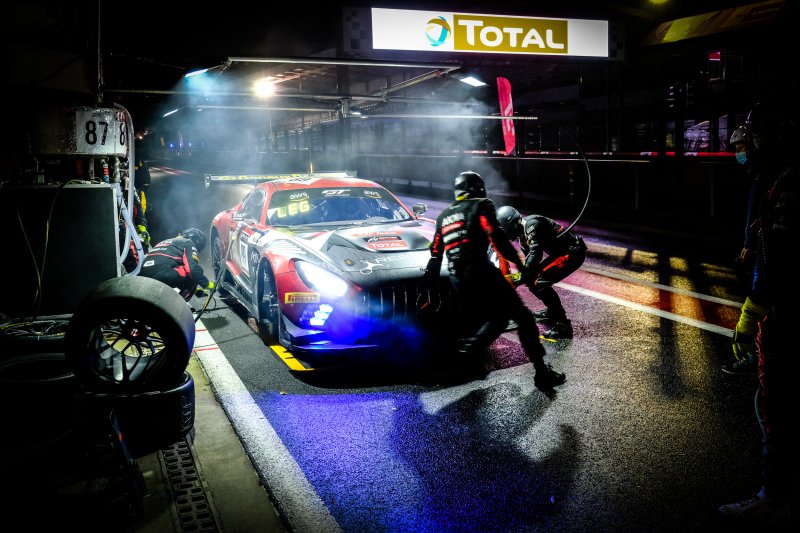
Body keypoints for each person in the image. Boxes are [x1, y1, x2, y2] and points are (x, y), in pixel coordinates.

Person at [718, 103, 799, 525]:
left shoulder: (790, 179)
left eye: (751, 137)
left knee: (777, 403)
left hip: (789, 310)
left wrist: (752, 313)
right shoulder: (777, 175)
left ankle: (775, 497)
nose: (746, 147)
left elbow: (780, 252)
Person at [423, 171, 566, 391]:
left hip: (458, 280)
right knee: (524, 318)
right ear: (478, 189)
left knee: (496, 321)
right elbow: (497, 237)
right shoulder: (481, 205)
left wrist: (428, 286)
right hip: (481, 272)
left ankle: (460, 358)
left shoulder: (444, 216)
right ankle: (541, 373)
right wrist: (521, 267)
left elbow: (435, 254)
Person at [495, 206, 586, 339]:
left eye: (504, 230)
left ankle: (564, 326)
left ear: (512, 224)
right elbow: (530, 265)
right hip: (560, 253)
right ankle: (552, 311)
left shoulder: (531, 225)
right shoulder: (522, 238)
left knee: (539, 283)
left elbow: (535, 255)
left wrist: (519, 277)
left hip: (572, 252)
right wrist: (519, 279)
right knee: (531, 281)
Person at [721, 123, 766, 375]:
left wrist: (749, 243)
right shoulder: (760, 171)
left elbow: (755, 213)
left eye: (740, 148)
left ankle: (755, 357)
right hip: (763, 244)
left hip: (765, 247)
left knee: (761, 297)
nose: (738, 153)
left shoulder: (762, 173)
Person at [138, 227, 214, 301]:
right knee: (195, 272)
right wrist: (206, 284)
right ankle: (180, 305)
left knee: (178, 268)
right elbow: (192, 269)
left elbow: (163, 262)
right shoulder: (188, 242)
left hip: (142, 276)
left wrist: (195, 290)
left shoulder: (166, 241)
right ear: (196, 240)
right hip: (162, 274)